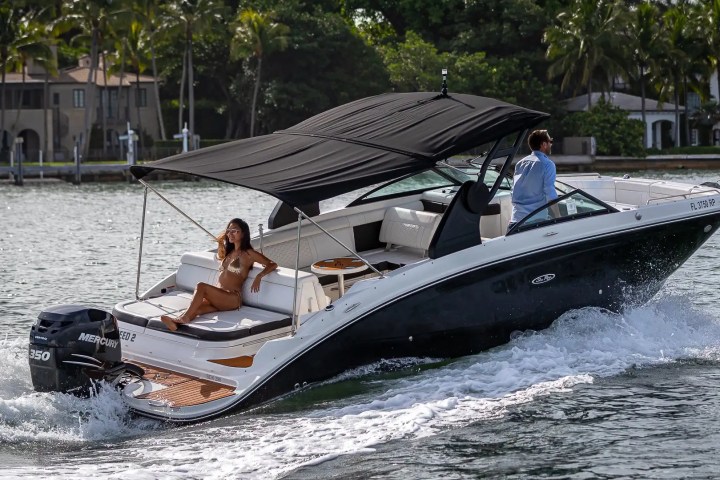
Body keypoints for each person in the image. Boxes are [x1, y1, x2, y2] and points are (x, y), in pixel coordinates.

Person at [160, 218, 277, 331]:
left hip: (232, 298)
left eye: (235, 231)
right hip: (220, 298)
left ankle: (183, 318)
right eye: (228, 231)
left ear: (243, 234)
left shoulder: (248, 253)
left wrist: (259, 276)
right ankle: (175, 323)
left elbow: (272, 264)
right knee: (195, 308)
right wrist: (223, 240)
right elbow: (220, 250)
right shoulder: (229, 253)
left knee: (201, 286)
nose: (230, 234)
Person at [507, 129, 560, 233]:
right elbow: (550, 194)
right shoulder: (548, 165)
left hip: (515, 221)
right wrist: (559, 217)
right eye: (551, 141)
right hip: (535, 224)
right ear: (544, 144)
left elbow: (515, 192)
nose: (551, 144)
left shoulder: (520, 163)